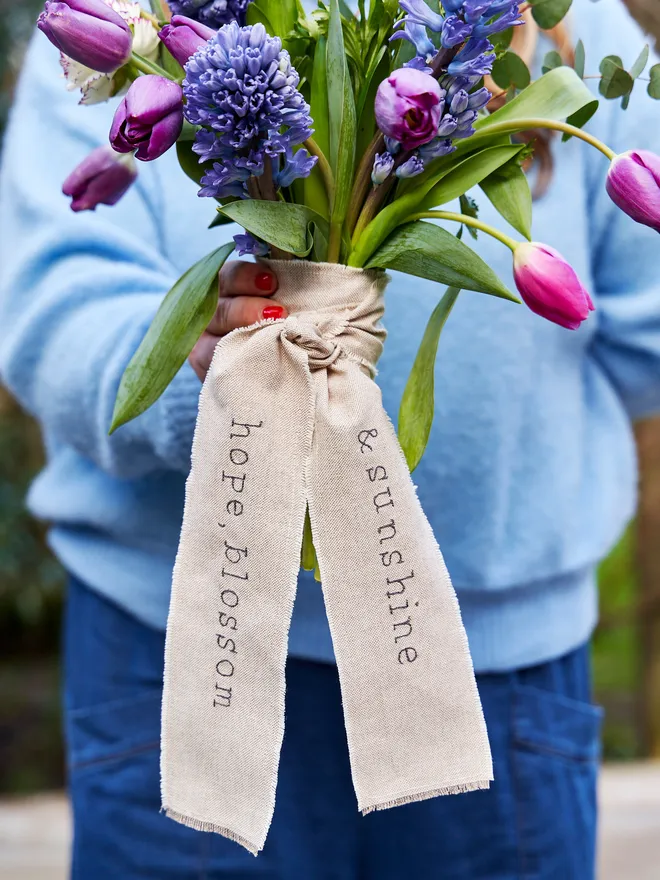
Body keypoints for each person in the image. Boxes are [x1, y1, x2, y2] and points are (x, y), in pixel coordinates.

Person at [1, 0, 659, 877]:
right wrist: (217, 377)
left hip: (492, 666)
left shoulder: (579, 33)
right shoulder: (134, 18)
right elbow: (52, 303)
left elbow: (640, 329)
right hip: (184, 651)